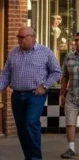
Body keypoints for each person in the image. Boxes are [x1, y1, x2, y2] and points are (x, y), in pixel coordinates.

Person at [0, 27, 62, 160]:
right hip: (17, 95)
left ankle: (35, 158)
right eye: (18, 37)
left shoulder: (45, 52)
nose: (19, 40)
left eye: (23, 37)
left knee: (31, 122)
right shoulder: (13, 53)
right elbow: (6, 74)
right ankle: (29, 157)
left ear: (33, 37)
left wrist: (44, 86)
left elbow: (56, 72)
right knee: (22, 128)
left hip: (35, 95)